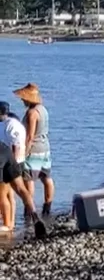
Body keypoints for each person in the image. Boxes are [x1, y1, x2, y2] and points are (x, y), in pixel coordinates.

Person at [0, 101, 43, 239]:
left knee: (2, 195)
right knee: (20, 190)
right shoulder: (12, 122)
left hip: (7, 157)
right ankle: (34, 216)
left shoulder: (9, 125)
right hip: (8, 154)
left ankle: (7, 226)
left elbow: (16, 145)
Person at [13, 84, 53, 223]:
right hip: (45, 147)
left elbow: (30, 136)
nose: (22, 101)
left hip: (35, 148)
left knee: (29, 180)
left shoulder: (32, 113)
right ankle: (47, 207)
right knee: (46, 177)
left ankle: (29, 210)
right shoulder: (43, 110)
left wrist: (25, 153)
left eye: (23, 99)